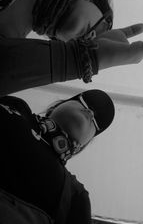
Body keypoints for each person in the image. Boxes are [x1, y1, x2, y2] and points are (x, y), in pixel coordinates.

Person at [0, 0, 143, 96]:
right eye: (105, 25)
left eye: (91, 42)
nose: (92, 37)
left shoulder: (8, 41)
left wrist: (89, 58)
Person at [0, 89, 115, 223]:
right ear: (56, 107)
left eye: (95, 122)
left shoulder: (75, 194)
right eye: (84, 103)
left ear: (83, 144)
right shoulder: (17, 106)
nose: (90, 113)